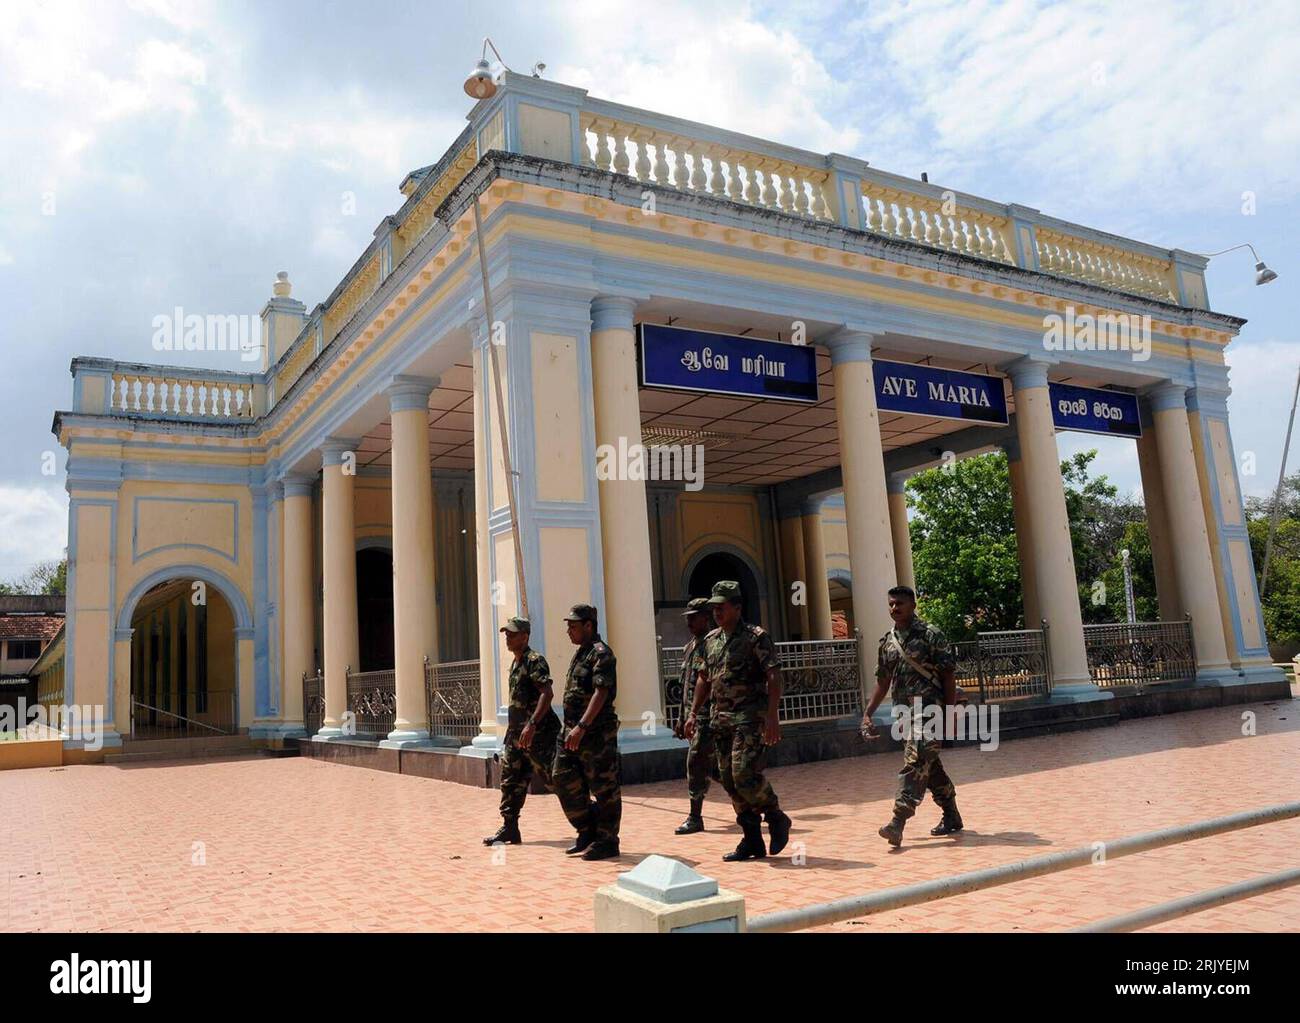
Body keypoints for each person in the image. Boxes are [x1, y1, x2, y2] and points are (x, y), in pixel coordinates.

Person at [686, 580, 791, 861]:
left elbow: (773, 675)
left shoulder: (756, 637)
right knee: (729, 780)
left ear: (737, 606)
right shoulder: (710, 641)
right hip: (720, 720)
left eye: (722, 606)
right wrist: (694, 713)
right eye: (714, 608)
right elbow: (703, 678)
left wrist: (772, 716)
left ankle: (775, 815)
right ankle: (752, 840)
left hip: (749, 718)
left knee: (744, 772)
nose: (717, 612)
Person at [862, 585, 966, 847]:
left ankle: (897, 822)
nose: (894, 608)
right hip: (904, 714)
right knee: (929, 767)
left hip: (930, 711)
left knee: (916, 762)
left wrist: (951, 713)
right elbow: (883, 682)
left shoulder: (931, 635)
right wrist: (868, 713)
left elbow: (948, 675)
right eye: (891, 604)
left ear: (913, 605)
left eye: (900, 604)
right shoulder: (888, 642)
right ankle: (951, 815)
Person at [552, 603, 622, 861]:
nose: (569, 631)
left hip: (595, 734)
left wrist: (582, 726)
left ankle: (607, 840)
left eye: (573, 626)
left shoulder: (602, 654)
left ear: (589, 626)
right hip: (571, 730)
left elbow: (601, 692)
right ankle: (586, 829)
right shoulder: (581, 653)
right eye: (568, 626)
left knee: (604, 788)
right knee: (561, 777)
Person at [483, 616, 559, 846]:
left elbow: (547, 694)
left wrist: (532, 724)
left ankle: (588, 822)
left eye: (512, 634)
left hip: (537, 735)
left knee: (556, 780)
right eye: (506, 633)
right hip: (516, 736)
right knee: (510, 781)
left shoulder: (534, 661)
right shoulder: (516, 663)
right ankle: (509, 828)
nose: (508, 637)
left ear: (524, 637)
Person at [673, 597, 717, 835]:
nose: (689, 622)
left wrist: (694, 714)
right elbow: (686, 685)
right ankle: (755, 803)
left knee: (696, 762)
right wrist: (682, 719)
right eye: (687, 618)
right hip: (694, 716)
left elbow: (706, 682)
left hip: (709, 716)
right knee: (720, 768)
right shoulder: (690, 646)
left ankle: (695, 816)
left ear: (705, 617)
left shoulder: (712, 644)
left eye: (694, 617)